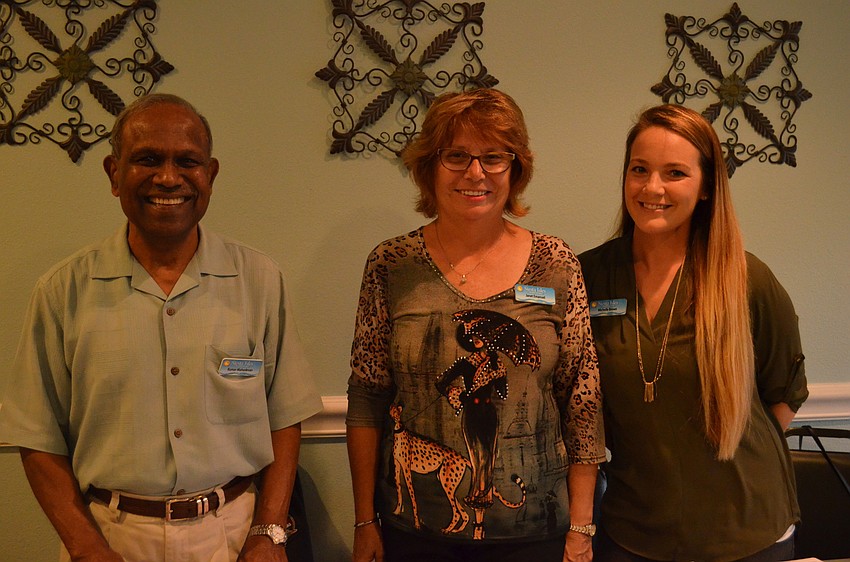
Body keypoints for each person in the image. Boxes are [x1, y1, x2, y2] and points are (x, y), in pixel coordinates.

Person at [0, 93, 323, 562]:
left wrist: (269, 531)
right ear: (114, 174)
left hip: (233, 536)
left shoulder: (259, 280)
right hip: (111, 537)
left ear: (210, 175)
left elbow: (284, 415)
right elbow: (36, 436)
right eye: (147, 160)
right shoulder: (62, 291)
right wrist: (85, 546)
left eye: (187, 161)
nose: (168, 178)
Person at [345, 88, 605, 562]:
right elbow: (367, 396)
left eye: (493, 157)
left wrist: (581, 527)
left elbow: (581, 398)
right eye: (457, 156)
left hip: (538, 534)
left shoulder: (555, 263)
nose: (475, 172)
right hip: (416, 534)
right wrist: (365, 521)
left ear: (516, 168)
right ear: (429, 166)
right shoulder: (391, 264)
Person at [579, 104, 807, 561]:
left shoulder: (746, 278)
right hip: (633, 530)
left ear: (705, 188)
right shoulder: (588, 275)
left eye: (675, 172)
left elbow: (783, 394)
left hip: (744, 531)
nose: (652, 187)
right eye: (639, 169)